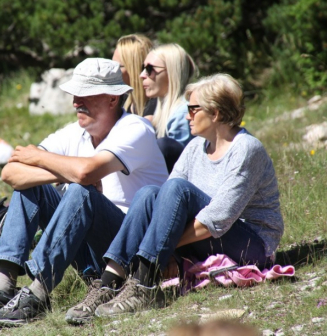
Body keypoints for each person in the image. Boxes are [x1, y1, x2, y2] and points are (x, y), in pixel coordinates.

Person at [0, 58, 168, 326]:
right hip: (88, 252)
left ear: (112, 99)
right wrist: (64, 172)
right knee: (33, 185)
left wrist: (46, 161)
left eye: (85, 95)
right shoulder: (75, 133)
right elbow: (10, 173)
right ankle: (4, 288)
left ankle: (37, 294)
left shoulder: (135, 129)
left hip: (126, 256)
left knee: (81, 192)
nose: (75, 103)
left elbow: (85, 174)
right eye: (74, 94)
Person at [78, 73, 283, 318]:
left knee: (177, 189)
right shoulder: (195, 146)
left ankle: (144, 286)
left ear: (215, 113)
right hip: (209, 237)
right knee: (148, 194)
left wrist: (161, 247)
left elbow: (217, 219)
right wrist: (160, 245)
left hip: (251, 244)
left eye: (193, 109)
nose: (187, 115)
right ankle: (108, 283)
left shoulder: (246, 149)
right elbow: (166, 199)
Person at [142, 43, 197, 172]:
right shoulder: (167, 109)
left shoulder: (183, 113)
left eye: (150, 69)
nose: (142, 75)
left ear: (171, 73)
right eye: (143, 68)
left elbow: (185, 168)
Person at [112, 34, 156, 120]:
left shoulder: (156, 106)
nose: (111, 71)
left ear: (134, 70)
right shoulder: (123, 101)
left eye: (117, 66)